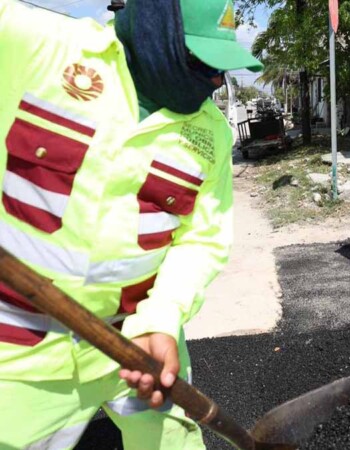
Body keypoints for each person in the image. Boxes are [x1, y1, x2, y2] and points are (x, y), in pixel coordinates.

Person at [0, 0, 263, 448]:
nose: (216, 81)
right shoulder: (31, 44)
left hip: (143, 346)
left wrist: (161, 318)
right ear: (152, 25)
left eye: (221, 68)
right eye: (201, 63)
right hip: (23, 357)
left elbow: (201, 239)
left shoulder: (211, 131)